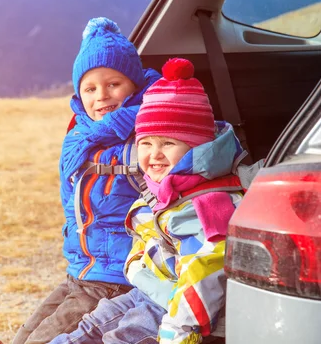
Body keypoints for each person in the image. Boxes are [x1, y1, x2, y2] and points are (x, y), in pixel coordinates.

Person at [48, 57, 247, 344]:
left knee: (120, 337)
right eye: (146, 143)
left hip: (179, 306)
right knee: (90, 327)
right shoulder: (163, 187)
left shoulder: (207, 205)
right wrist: (136, 265)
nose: (154, 154)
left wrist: (179, 332)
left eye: (168, 143)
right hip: (151, 288)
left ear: (196, 146)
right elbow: (146, 234)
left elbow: (203, 276)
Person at [0, 17, 161, 344]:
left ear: (135, 85)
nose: (102, 96)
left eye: (114, 84)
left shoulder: (145, 135)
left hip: (115, 277)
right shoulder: (81, 137)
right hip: (81, 270)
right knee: (24, 336)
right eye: (90, 88)